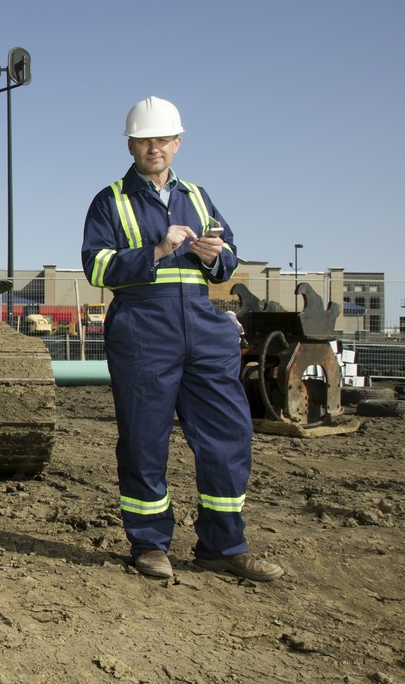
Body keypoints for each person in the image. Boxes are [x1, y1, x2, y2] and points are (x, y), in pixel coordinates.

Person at [80, 96, 283, 582]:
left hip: (202, 325)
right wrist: (156, 250)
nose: (155, 148)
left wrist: (217, 255)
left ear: (178, 143)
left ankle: (223, 546)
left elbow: (228, 257)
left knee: (228, 436)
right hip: (143, 328)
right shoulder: (110, 200)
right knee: (144, 440)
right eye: (145, 140)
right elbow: (97, 267)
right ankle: (150, 544)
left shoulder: (198, 195)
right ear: (131, 146)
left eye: (164, 140)